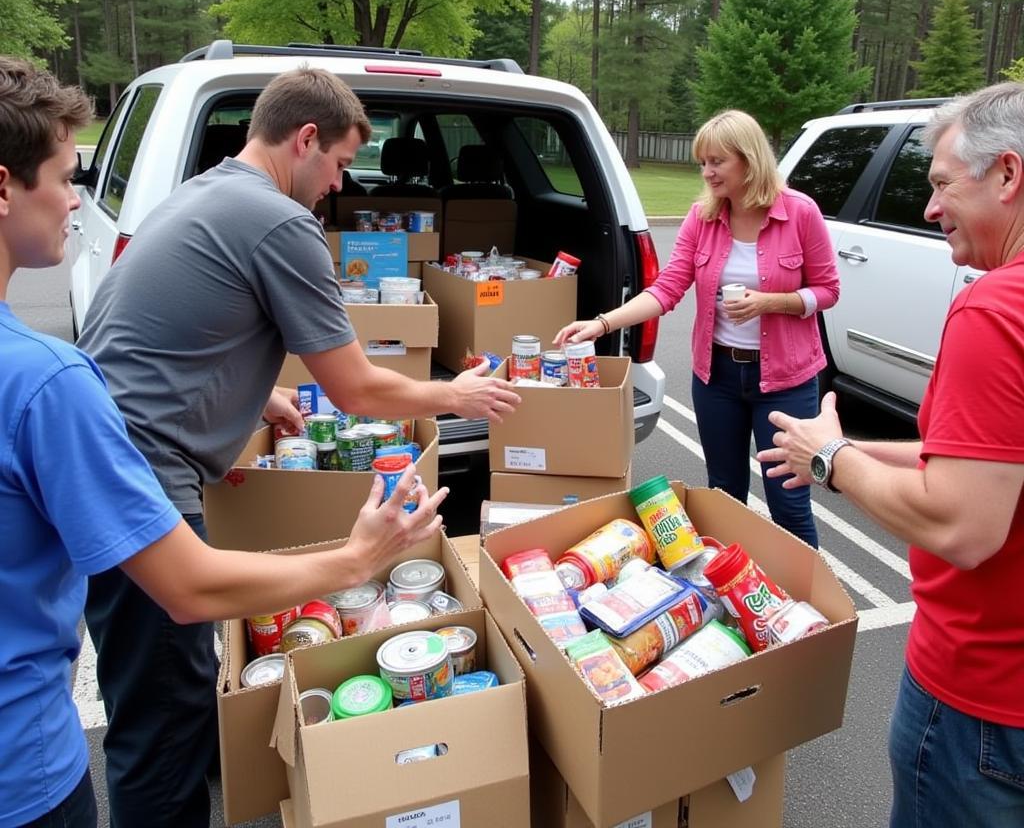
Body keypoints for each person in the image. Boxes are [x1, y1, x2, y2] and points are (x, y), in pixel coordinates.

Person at [0, 56, 449, 828]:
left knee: (164, 691)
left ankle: (210, 760)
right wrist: (456, 397)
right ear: (305, 140)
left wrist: (252, 393)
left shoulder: (210, 189)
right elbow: (355, 388)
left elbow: (179, 338)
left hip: (112, 467)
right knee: (159, 728)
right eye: (340, 163)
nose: (77, 199)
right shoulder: (278, 221)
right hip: (136, 488)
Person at [758, 82, 1024, 828]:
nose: (930, 208)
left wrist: (832, 460)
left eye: (942, 184)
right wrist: (848, 447)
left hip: (979, 706)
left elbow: (962, 526)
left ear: (1007, 176)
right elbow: (990, 462)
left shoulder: (994, 308)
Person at [555, 109, 838, 547]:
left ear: (748, 160)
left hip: (786, 380)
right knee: (723, 495)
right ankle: (734, 593)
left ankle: (809, 611)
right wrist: (601, 323)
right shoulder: (701, 217)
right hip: (718, 377)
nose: (706, 172)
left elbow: (827, 290)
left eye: (716, 161)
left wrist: (772, 302)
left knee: (789, 502)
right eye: (702, 162)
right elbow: (666, 289)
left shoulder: (800, 213)